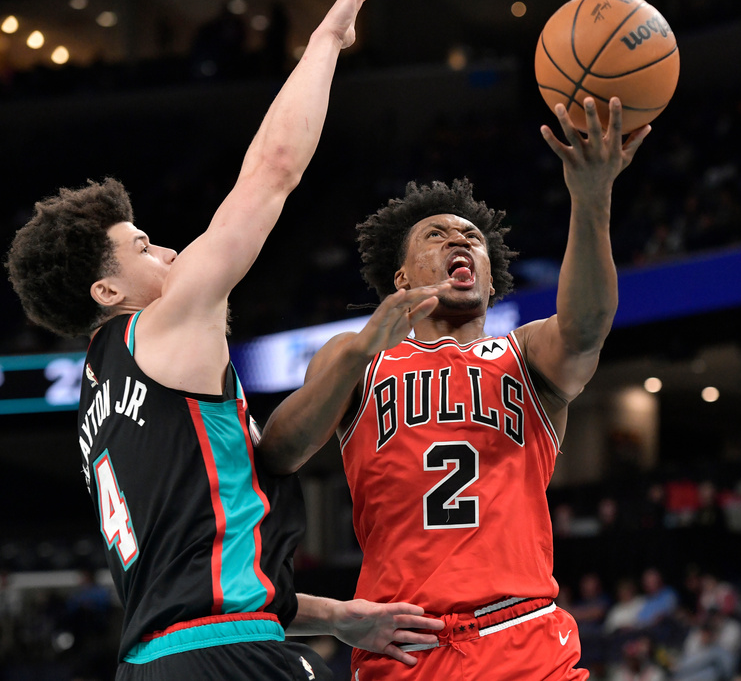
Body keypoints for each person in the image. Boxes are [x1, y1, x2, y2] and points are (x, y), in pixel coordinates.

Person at [4, 0, 443, 678]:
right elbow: (272, 171)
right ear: (107, 292)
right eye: (143, 247)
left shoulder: (99, 402)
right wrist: (328, 38)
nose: (169, 252)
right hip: (226, 658)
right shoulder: (162, 329)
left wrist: (341, 617)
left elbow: (198, 581)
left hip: (155, 663)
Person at [258, 96, 649, 678]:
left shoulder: (527, 353)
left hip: (524, 635)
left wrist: (592, 197)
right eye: (436, 235)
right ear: (401, 276)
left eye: (472, 238)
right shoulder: (357, 356)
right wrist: (360, 350)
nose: (459, 241)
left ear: (490, 277)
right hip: (406, 642)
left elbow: (588, 325)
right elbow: (278, 452)